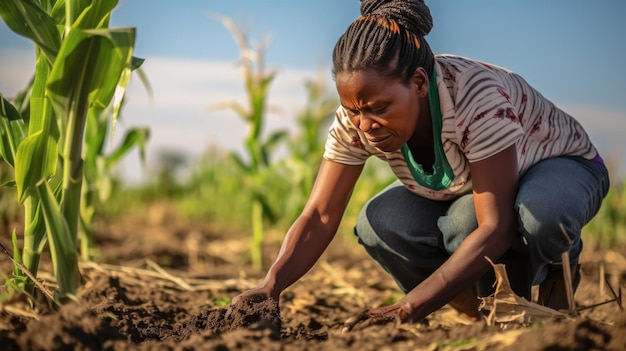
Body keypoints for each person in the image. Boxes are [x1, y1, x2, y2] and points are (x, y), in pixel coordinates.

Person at [232, 0, 610, 331]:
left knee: (539, 216)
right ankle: (479, 309)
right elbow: (319, 215)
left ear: (417, 82)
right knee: (380, 223)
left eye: (379, 109)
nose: (365, 124)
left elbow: (496, 227)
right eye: (354, 110)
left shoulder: (475, 95)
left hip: (562, 165)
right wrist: (272, 285)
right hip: (476, 188)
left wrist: (409, 306)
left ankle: (558, 288)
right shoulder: (358, 115)